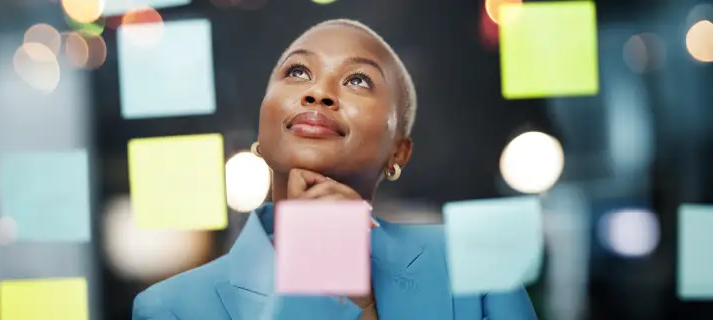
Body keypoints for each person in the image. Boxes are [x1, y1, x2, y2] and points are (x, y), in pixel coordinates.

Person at [132, 19, 536, 319]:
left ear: (399, 152)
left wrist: (363, 305)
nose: (318, 92)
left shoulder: (475, 267)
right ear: (263, 128)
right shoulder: (170, 309)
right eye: (297, 72)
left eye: (358, 80)